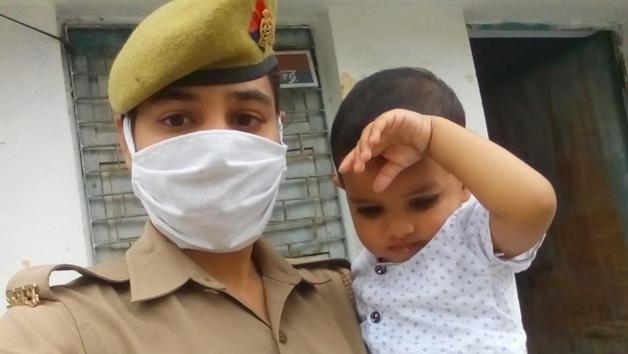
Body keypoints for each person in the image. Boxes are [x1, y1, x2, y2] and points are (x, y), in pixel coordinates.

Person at [0, 1, 367, 353]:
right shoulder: (63, 328)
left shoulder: (344, 294)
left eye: (245, 119)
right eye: (177, 119)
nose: (219, 151)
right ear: (126, 144)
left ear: (279, 133)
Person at [329, 67, 557, 353]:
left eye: (421, 202)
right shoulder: (363, 269)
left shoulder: (472, 236)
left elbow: (535, 205)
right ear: (344, 191)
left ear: (465, 183)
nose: (399, 228)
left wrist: (432, 135)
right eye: (371, 210)